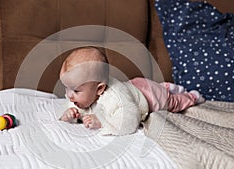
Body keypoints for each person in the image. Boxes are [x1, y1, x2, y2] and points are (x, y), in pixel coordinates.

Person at [59, 46, 205, 135]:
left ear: (100, 89)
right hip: (134, 86)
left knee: (172, 102)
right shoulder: (81, 96)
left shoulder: (116, 98)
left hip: (149, 96)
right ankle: (166, 86)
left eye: (76, 91)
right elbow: (80, 108)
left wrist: (102, 122)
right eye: (67, 88)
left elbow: (130, 120)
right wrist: (69, 115)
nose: (69, 96)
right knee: (158, 87)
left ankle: (190, 96)